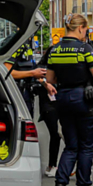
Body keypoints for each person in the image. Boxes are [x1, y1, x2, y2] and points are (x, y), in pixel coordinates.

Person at [45, 14, 93, 186]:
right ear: (80, 28)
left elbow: (51, 79)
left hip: (63, 99)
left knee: (71, 147)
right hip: (85, 101)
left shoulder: (54, 50)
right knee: (86, 148)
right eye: (85, 30)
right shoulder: (85, 49)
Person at [36, 42, 62, 178]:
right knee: (55, 134)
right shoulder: (41, 68)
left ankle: (70, 165)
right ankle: (52, 165)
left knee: (66, 135)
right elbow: (36, 78)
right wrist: (45, 83)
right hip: (48, 106)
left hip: (62, 104)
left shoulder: (63, 67)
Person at [5, 41, 46, 116]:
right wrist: (33, 73)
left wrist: (45, 84)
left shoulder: (27, 44)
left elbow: (33, 71)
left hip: (27, 92)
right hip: (17, 93)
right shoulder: (16, 43)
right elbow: (7, 72)